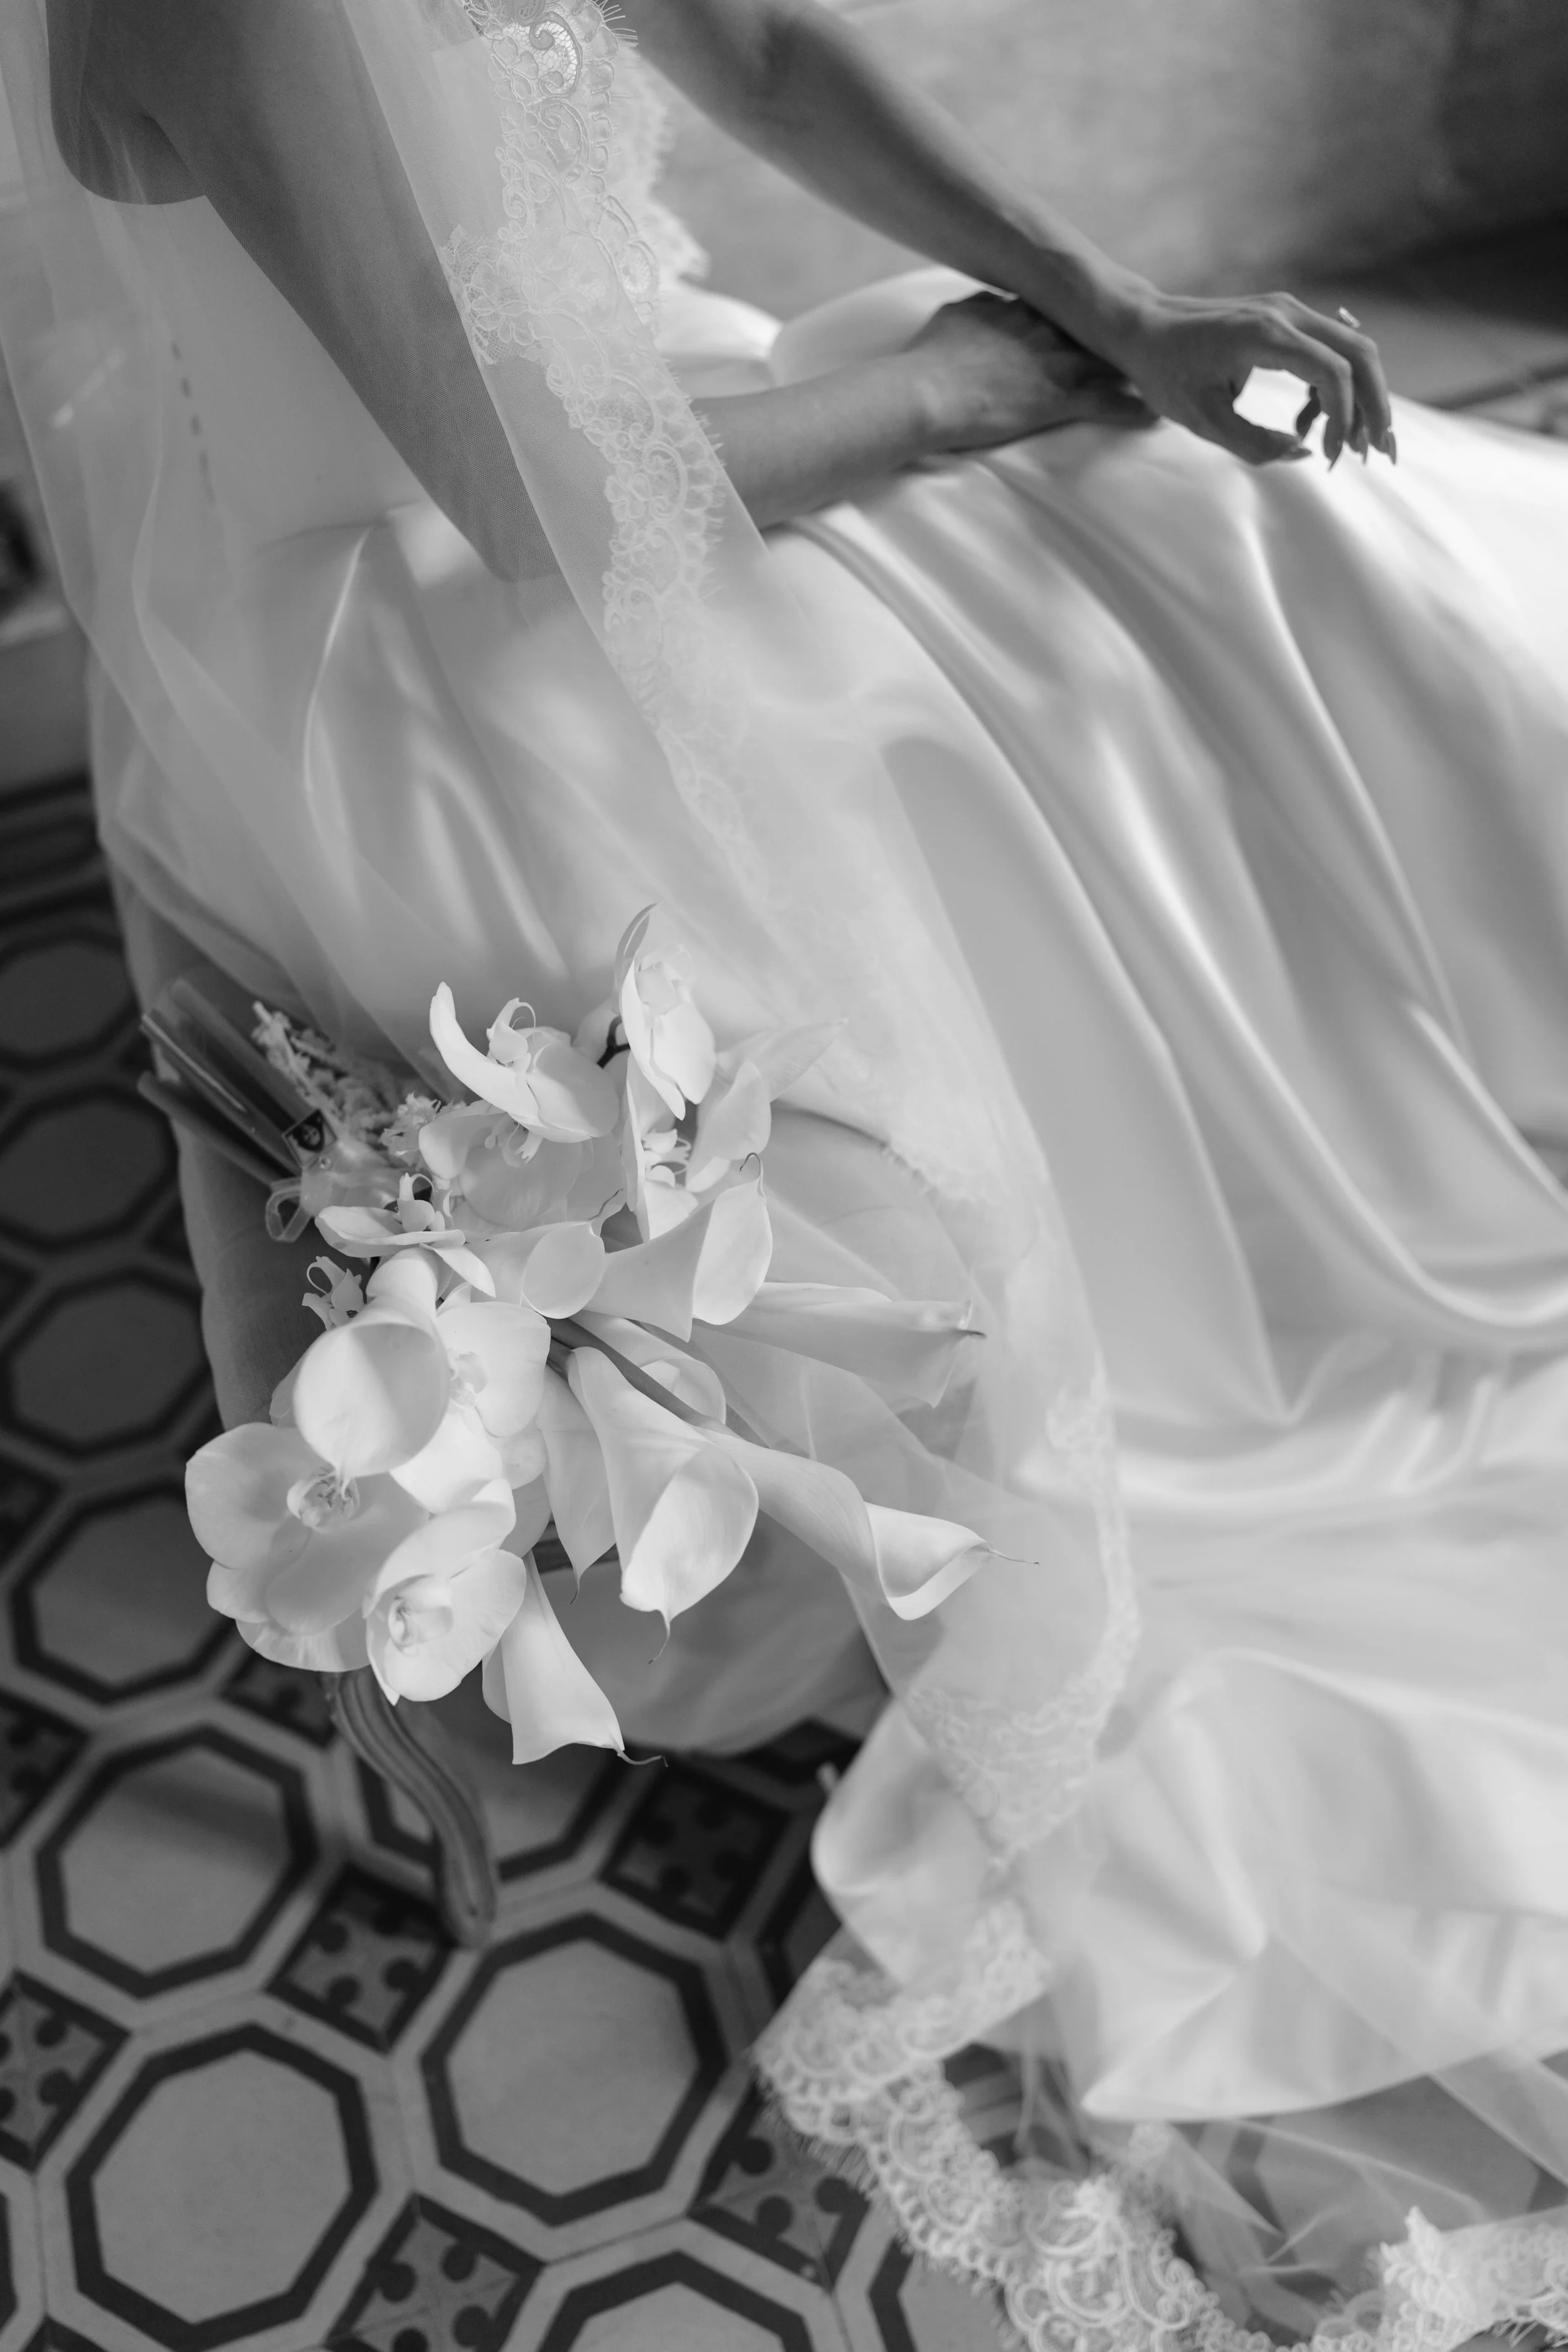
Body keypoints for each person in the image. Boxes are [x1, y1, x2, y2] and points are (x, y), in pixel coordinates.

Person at [4, 1, 1567, 2341]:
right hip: (465, 606)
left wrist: (1108, 304)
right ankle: (1297, 1252)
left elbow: (745, 41)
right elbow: (526, 514)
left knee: (1275, 535)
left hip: (664, 420)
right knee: (1044, 621)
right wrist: (950, 394)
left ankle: (1449, 1064)